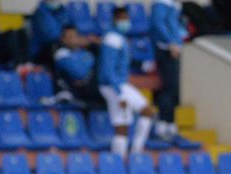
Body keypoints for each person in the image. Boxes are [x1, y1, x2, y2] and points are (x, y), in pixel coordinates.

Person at [98, 6, 155, 158]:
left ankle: (134, 153)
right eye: (122, 18)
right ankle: (122, 159)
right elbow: (107, 69)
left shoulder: (120, 38)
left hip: (120, 84)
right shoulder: (112, 39)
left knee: (142, 114)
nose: (125, 21)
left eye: (127, 18)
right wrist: (119, 94)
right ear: (115, 19)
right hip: (112, 86)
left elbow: (123, 61)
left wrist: (142, 65)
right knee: (123, 126)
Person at [150, 0, 184, 141]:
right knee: (168, 88)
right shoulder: (162, 3)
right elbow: (158, 23)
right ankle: (163, 122)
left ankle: (170, 121)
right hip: (166, 49)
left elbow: (174, 24)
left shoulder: (174, 4)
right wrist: (171, 42)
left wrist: (178, 40)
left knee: (173, 88)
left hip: (174, 47)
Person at [53, 25, 103, 106]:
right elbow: (78, 73)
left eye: (74, 36)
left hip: (90, 92)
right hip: (73, 92)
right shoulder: (61, 53)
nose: (73, 39)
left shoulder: (86, 52)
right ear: (63, 39)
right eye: (69, 37)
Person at [30, 0, 72, 64]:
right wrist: (69, 38)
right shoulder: (40, 12)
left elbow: (73, 30)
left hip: (61, 45)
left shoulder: (63, 11)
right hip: (42, 51)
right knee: (61, 52)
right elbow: (51, 35)